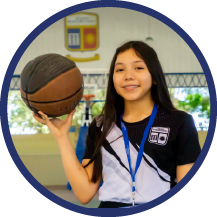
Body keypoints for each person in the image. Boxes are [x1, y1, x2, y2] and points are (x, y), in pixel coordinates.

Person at [33, 41, 201, 208]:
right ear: (113, 79)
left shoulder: (178, 122)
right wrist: (62, 138)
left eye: (139, 68)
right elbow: (84, 194)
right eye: (120, 69)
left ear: (155, 77)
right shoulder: (100, 126)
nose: (128, 75)